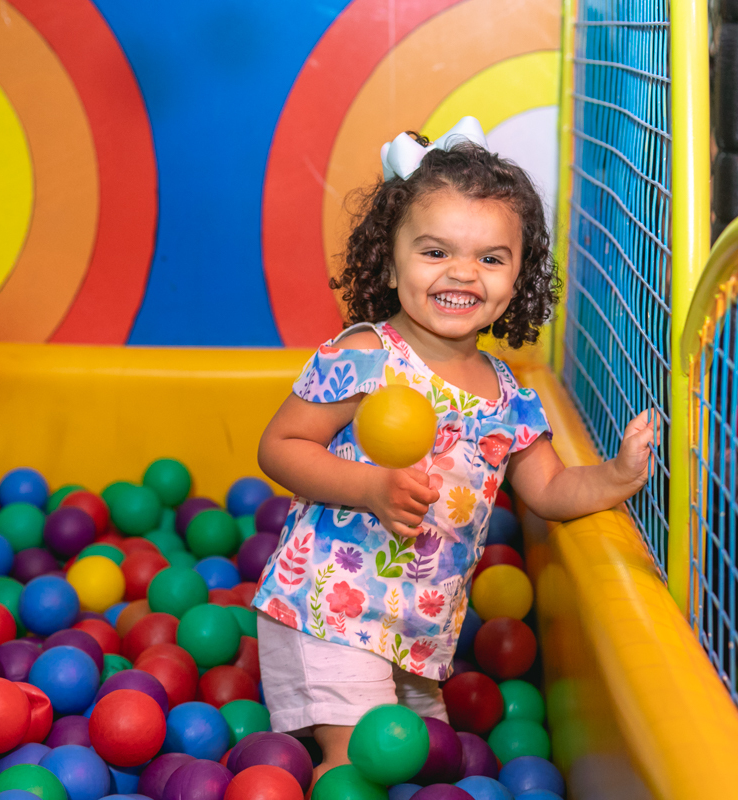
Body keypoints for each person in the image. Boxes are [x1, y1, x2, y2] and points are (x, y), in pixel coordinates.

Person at [253, 117, 658, 782]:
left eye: (491, 259)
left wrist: (617, 475)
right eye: (436, 252)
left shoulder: (509, 396)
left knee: (431, 768)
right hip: (327, 607)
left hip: (418, 631)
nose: (463, 273)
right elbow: (280, 446)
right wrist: (369, 488)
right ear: (390, 261)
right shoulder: (367, 355)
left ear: (520, 276)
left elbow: (551, 490)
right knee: (358, 765)